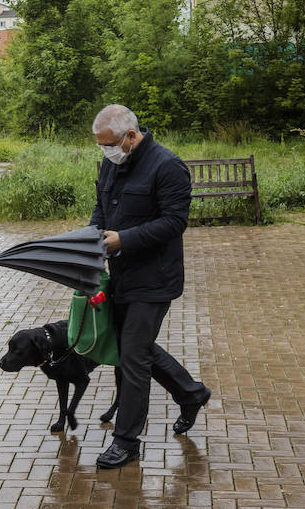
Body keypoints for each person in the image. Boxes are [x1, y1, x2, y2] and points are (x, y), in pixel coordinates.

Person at [89, 104, 212, 470]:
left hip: (155, 278)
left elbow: (175, 222)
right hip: (121, 276)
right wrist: (92, 241)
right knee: (133, 346)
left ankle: (126, 442)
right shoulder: (115, 163)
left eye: (109, 144)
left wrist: (123, 239)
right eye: (100, 146)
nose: (106, 152)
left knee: (132, 357)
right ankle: (190, 393)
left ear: (130, 135)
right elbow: (102, 208)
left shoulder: (167, 166)